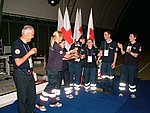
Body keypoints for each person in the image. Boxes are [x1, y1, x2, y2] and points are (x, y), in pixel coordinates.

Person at [35, 31, 75, 112]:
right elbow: (65, 55)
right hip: (53, 70)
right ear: (58, 37)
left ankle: (53, 102)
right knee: (50, 86)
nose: (62, 38)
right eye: (61, 37)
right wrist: (73, 51)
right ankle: (40, 104)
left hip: (55, 69)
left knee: (53, 86)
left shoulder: (54, 45)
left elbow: (63, 56)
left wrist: (71, 53)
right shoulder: (56, 46)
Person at [11, 25, 37, 113]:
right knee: (22, 97)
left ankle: (29, 111)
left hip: (29, 73)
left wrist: (32, 70)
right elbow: (18, 62)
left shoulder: (26, 45)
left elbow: (28, 61)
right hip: (21, 74)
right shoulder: (17, 44)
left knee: (32, 96)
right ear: (27, 34)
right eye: (32, 35)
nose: (33, 37)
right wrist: (29, 53)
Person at [118, 31, 142, 98]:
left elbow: (136, 55)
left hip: (133, 66)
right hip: (125, 65)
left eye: (131, 36)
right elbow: (123, 53)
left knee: (132, 80)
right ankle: (121, 92)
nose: (129, 37)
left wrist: (130, 52)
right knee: (122, 79)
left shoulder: (138, 45)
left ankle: (132, 93)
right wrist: (121, 47)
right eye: (129, 36)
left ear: (135, 37)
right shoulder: (126, 43)